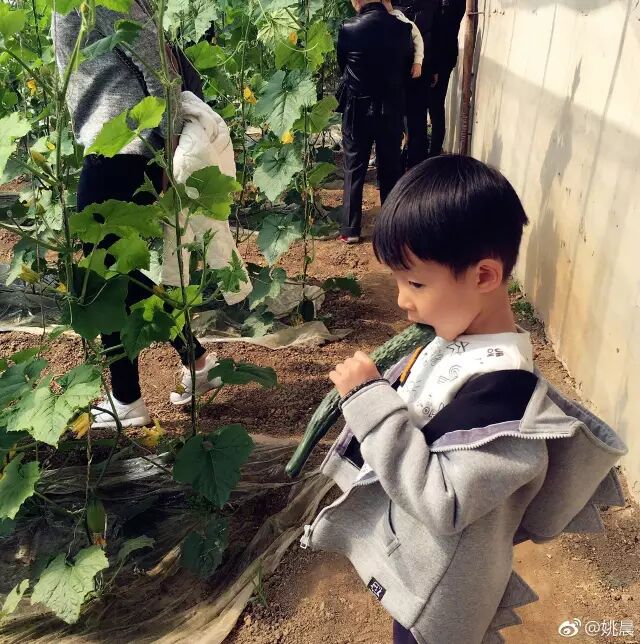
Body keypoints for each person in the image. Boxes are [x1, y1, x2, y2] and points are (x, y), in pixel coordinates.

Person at [300, 155, 627, 643]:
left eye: (415, 283)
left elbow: (443, 503)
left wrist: (369, 398)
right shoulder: (456, 341)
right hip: (419, 571)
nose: (402, 300)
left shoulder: (507, 404)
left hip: (442, 605)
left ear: (484, 277)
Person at [53, 1, 239, 428]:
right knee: (126, 275)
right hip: (120, 145)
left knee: (105, 279)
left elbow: (159, 67)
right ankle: (197, 361)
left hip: (123, 145)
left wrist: (166, 151)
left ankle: (127, 400)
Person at [337, 0, 413, 243]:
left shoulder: (348, 28)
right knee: (390, 167)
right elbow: (406, 69)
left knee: (354, 166)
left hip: (357, 108)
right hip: (390, 108)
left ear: (358, 1)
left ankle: (350, 230)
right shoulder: (403, 29)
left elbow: (343, 66)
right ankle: (391, 228)